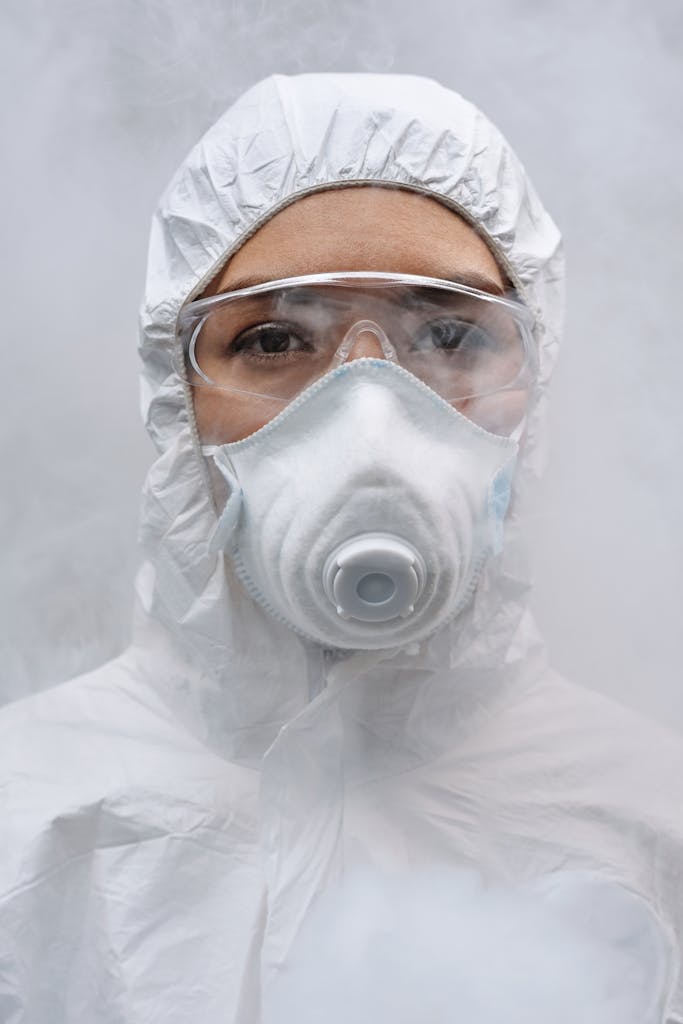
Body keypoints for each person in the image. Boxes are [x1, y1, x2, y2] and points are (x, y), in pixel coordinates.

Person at [1, 73, 682, 1024]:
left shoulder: (652, 827)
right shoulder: (25, 821)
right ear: (175, 397)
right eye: (275, 338)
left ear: (534, 389)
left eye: (449, 332)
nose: (369, 411)